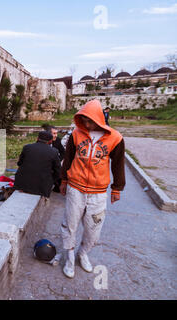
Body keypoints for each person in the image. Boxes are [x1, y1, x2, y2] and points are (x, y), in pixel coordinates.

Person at [60, 99, 125, 279]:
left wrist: (117, 188)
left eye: (89, 120)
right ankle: (70, 257)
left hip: (98, 192)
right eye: (83, 119)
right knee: (70, 224)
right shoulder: (76, 134)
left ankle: (83, 253)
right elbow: (68, 158)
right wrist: (64, 180)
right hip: (75, 189)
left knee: (93, 228)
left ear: (98, 118)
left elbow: (118, 164)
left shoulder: (115, 138)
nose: (86, 124)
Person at [14, 131, 61, 198]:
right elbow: (58, 170)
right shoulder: (54, 151)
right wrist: (51, 180)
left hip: (22, 184)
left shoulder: (27, 147)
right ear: (50, 141)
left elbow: (19, 163)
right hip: (41, 187)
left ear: (37, 138)